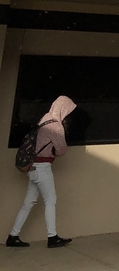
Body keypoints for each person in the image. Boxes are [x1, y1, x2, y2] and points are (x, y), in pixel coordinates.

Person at [7, 95, 77, 249]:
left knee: (28, 203)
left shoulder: (45, 119)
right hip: (43, 168)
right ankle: (52, 237)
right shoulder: (56, 126)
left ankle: (13, 236)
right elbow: (61, 150)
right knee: (50, 201)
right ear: (64, 109)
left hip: (33, 168)